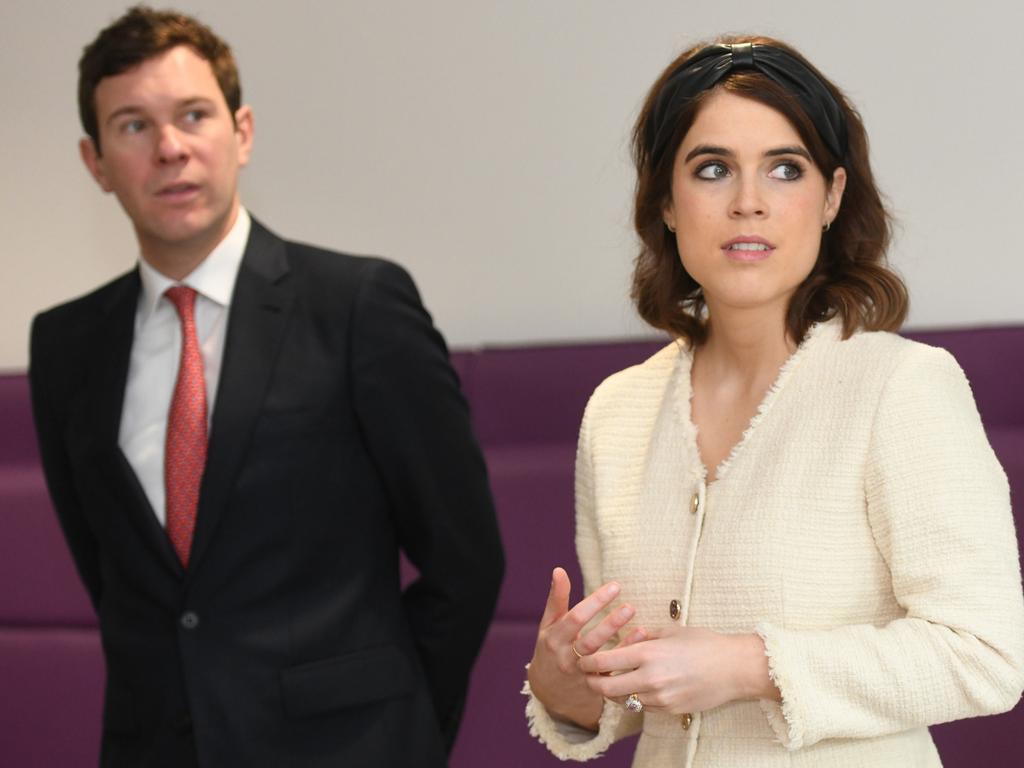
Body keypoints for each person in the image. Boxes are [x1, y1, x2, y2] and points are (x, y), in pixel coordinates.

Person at [523, 35, 1024, 766]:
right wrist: (566, 685)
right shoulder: (617, 411)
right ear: (666, 200)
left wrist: (746, 665)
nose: (748, 203)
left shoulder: (902, 387)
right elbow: (635, 692)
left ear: (832, 196)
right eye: (713, 169)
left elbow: (986, 655)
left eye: (785, 169)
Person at [29, 6, 504, 767]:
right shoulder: (65, 345)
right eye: (132, 126)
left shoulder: (357, 306)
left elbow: (467, 562)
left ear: (241, 132)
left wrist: (401, 734)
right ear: (95, 162)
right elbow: (117, 583)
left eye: (193, 115)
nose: (170, 149)